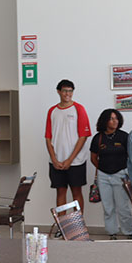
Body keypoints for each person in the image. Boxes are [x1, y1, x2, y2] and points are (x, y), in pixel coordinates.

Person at [45, 79, 91, 212]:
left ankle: (78, 223)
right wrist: (54, 159)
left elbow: (83, 136)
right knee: (60, 192)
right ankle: (62, 223)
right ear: (58, 92)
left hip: (76, 161)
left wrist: (70, 159)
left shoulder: (79, 109)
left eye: (70, 91)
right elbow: (48, 137)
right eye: (65, 91)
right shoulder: (52, 111)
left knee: (76, 192)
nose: (67, 94)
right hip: (56, 162)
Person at [90, 108, 132, 239]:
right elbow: (93, 158)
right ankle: (112, 232)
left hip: (121, 175)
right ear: (105, 121)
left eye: (116, 118)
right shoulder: (98, 138)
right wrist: (103, 168)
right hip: (103, 177)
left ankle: (129, 232)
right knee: (108, 207)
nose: (115, 121)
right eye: (111, 119)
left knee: (123, 207)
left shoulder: (124, 136)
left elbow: (131, 156)